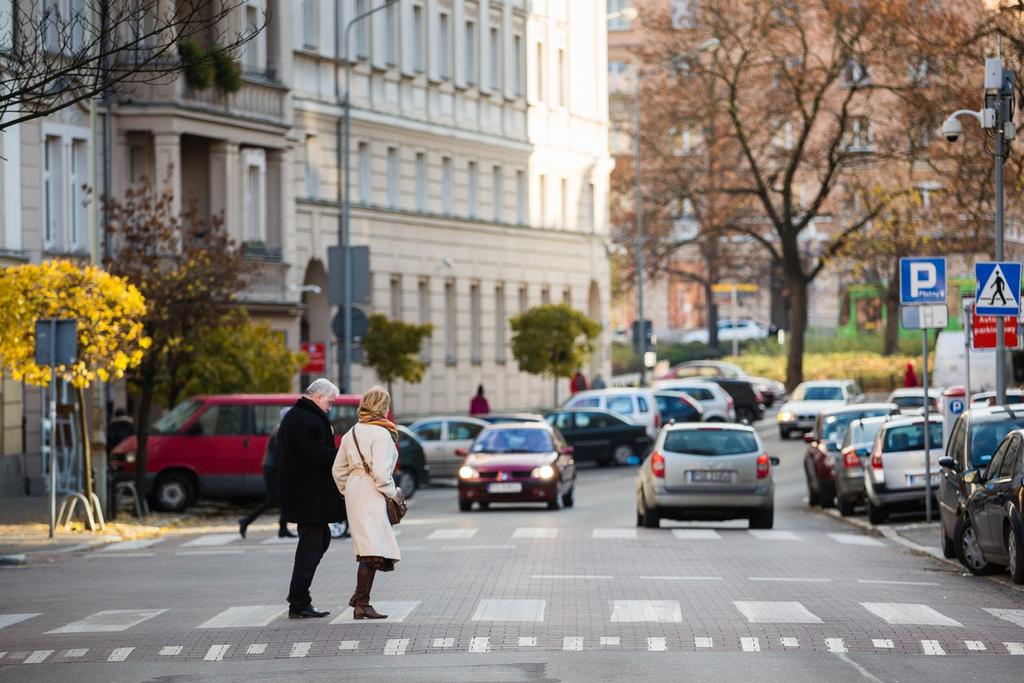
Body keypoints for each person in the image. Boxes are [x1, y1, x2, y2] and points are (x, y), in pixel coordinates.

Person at [332, 385, 403, 620]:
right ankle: (361, 604)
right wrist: (393, 493)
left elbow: (337, 470)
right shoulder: (381, 433)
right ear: (382, 407)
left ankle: (359, 599)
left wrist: (349, 488)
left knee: (369, 547)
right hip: (372, 491)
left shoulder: (351, 432)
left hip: (355, 489)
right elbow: (382, 474)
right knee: (371, 548)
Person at [278, 378, 346, 619]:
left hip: (304, 493)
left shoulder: (298, 416)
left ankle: (299, 598)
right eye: (330, 402)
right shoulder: (307, 419)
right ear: (318, 396)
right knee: (310, 548)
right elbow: (318, 456)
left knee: (319, 541)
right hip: (308, 495)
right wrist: (344, 453)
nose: (331, 407)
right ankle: (298, 601)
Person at [238, 408, 294, 539]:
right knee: (272, 500)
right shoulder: (282, 431)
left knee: (284, 498)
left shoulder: (281, 429)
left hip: (273, 467)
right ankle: (246, 520)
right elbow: (283, 453)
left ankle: (283, 529)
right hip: (273, 469)